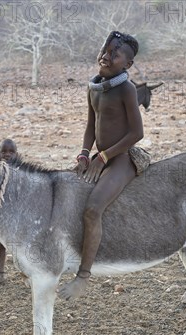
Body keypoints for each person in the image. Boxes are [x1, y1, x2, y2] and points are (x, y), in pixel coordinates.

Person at [58, 31, 150, 300]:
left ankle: (83, 275)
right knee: (65, 191)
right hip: (98, 156)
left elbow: (136, 133)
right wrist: (85, 155)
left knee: (93, 208)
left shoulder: (126, 89)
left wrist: (104, 157)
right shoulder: (94, 87)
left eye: (114, 54)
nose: (106, 57)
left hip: (120, 159)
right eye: (104, 51)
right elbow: (90, 126)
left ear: (128, 64)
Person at [0, 139, 18, 286]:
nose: (7, 154)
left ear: (17, 154)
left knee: (19, 245)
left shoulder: (20, 171)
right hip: (2, 215)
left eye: (11, 152)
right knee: (1, 244)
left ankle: (25, 272)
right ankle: (1, 275)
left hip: (17, 215)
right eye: (4, 151)